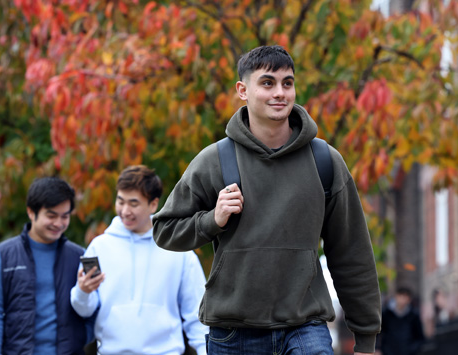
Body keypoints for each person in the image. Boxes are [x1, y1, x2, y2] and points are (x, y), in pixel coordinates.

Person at [153, 45, 382, 355]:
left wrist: (366, 338)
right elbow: (165, 230)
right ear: (243, 90)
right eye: (267, 83)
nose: (280, 93)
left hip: (305, 328)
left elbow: (352, 254)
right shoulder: (215, 161)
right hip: (233, 334)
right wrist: (213, 220)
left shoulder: (325, 162)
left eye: (287, 83)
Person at [71, 165, 208, 355]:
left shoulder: (177, 249)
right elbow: (84, 311)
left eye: (133, 204)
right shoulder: (99, 247)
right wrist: (82, 292)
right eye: (120, 201)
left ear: (153, 204)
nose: (125, 210)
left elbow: (197, 313)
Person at [0, 177, 91, 354]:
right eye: (51, 215)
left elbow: (94, 308)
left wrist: (78, 340)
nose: (59, 223)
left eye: (65, 216)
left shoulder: (82, 257)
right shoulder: (2, 256)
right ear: (31, 212)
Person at [378, 287, 425, 355]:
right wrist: (378, 349)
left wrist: (412, 349)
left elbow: (420, 337)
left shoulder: (413, 315)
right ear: (396, 296)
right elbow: (378, 332)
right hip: (388, 352)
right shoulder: (386, 313)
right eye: (401, 296)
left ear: (409, 299)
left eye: (405, 297)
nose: (403, 299)